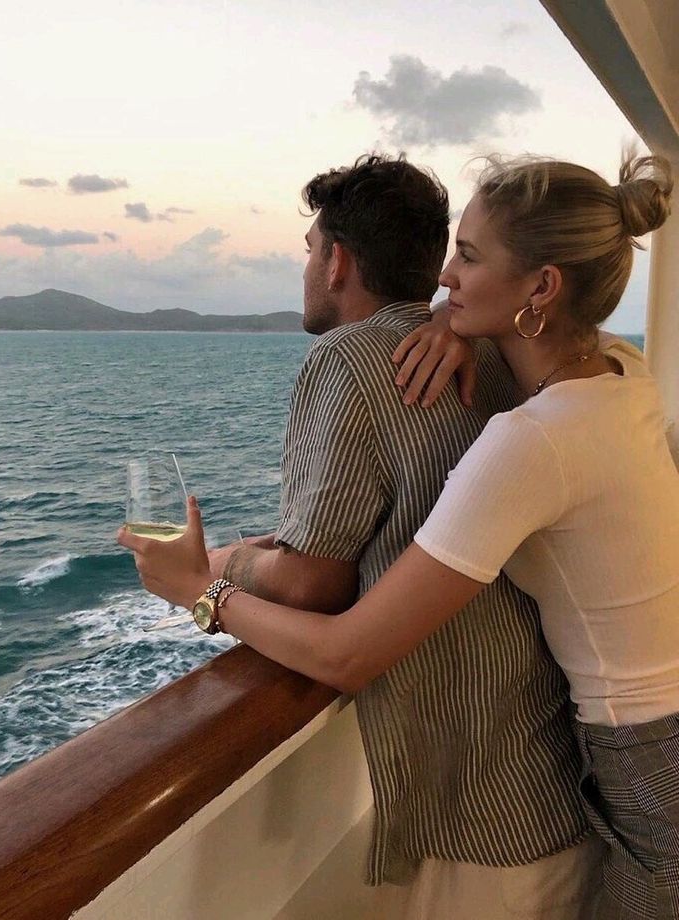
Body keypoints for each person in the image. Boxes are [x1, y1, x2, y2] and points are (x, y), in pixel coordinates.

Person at [117, 152, 665, 918]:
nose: (448, 277)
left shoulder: (523, 434)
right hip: (576, 773)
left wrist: (203, 586)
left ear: (338, 260)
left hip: (586, 786)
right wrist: (450, 324)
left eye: (468, 260)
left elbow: (336, 626)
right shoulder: (616, 371)